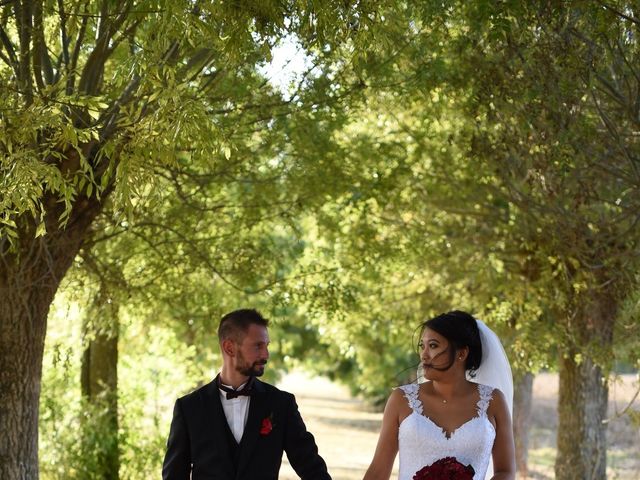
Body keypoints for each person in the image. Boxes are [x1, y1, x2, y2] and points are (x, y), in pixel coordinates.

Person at [162, 308, 332, 480]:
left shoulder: (281, 404)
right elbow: (174, 476)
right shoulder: (189, 408)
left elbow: (311, 467)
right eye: (258, 346)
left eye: (267, 346)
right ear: (229, 348)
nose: (266, 354)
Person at [363, 311, 516, 480]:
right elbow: (378, 471)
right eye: (423, 346)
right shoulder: (401, 399)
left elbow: (506, 472)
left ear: (462, 353)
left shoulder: (494, 401)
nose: (424, 354)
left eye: (433, 345)